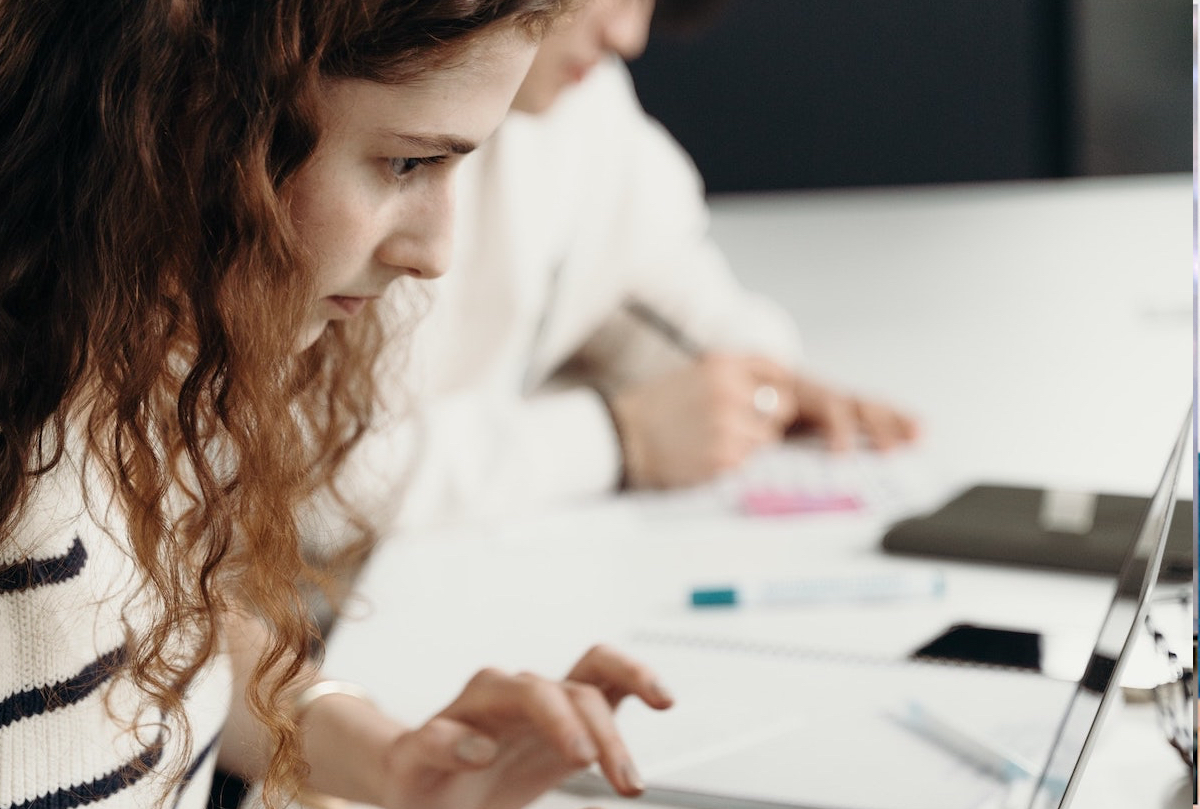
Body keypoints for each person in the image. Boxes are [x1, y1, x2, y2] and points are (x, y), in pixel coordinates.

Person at [0, 2, 673, 808]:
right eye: (406, 164)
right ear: (201, 111)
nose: (435, 253)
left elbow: (151, 621)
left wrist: (390, 759)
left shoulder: (121, 374)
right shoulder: (29, 490)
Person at [341, 0, 920, 533]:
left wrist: (761, 382)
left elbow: (663, 281)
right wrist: (619, 438)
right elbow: (315, 484)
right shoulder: (356, 99)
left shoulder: (582, 104)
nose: (630, 35)